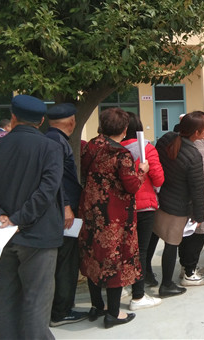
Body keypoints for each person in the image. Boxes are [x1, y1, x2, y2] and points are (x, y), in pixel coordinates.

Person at [0, 94, 64, 339]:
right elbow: (47, 190)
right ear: (41, 121)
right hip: (38, 235)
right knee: (36, 299)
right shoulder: (50, 147)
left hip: (2, 235)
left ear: (13, 117)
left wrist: (0, 216)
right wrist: (19, 219)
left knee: (4, 295)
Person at [79, 108, 148, 329]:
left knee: (93, 257)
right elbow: (132, 186)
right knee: (115, 260)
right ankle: (114, 313)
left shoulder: (91, 146)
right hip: (115, 216)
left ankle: (97, 306)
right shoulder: (121, 154)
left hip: (92, 211)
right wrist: (142, 170)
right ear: (125, 129)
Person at [45, 103, 88, 327]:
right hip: (64, 211)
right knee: (66, 262)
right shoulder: (56, 142)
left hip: (62, 208)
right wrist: (66, 206)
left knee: (64, 260)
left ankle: (59, 307)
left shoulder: (52, 138)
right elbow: (57, 178)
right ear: (72, 122)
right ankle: (61, 311)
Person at [154, 112, 204, 297]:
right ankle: (166, 284)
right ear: (196, 132)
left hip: (159, 199)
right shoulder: (193, 154)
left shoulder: (166, 139)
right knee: (171, 244)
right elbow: (197, 189)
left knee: (152, 240)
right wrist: (199, 216)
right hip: (178, 206)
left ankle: (147, 276)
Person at [120, 112, 164, 310]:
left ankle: (121, 287)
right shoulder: (146, 148)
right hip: (144, 206)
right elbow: (159, 178)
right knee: (140, 250)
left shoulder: (113, 149)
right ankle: (138, 295)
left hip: (119, 207)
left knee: (121, 249)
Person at [177, 111, 204, 286]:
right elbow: (203, 167)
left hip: (185, 194)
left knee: (187, 233)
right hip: (198, 193)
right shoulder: (197, 142)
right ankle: (190, 272)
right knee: (197, 231)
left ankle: (186, 267)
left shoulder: (179, 139)